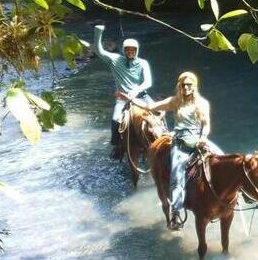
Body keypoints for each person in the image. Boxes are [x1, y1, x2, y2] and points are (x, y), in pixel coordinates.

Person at [122, 71, 221, 230]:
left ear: (194, 86)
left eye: (189, 85)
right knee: (177, 176)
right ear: (179, 86)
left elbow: (206, 124)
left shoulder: (203, 103)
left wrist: (203, 137)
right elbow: (150, 106)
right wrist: (130, 99)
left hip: (199, 139)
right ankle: (175, 213)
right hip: (181, 143)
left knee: (222, 157)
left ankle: (236, 194)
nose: (186, 87)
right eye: (183, 85)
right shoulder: (175, 101)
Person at [93, 24, 154, 159]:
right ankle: (116, 146)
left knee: (158, 112)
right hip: (122, 99)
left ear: (136, 50)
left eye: (133, 50)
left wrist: (137, 89)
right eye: (127, 49)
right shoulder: (115, 60)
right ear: (123, 50)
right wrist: (98, 32)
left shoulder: (143, 63)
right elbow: (98, 51)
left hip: (141, 96)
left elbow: (148, 82)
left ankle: (163, 141)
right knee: (115, 120)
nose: (130, 52)